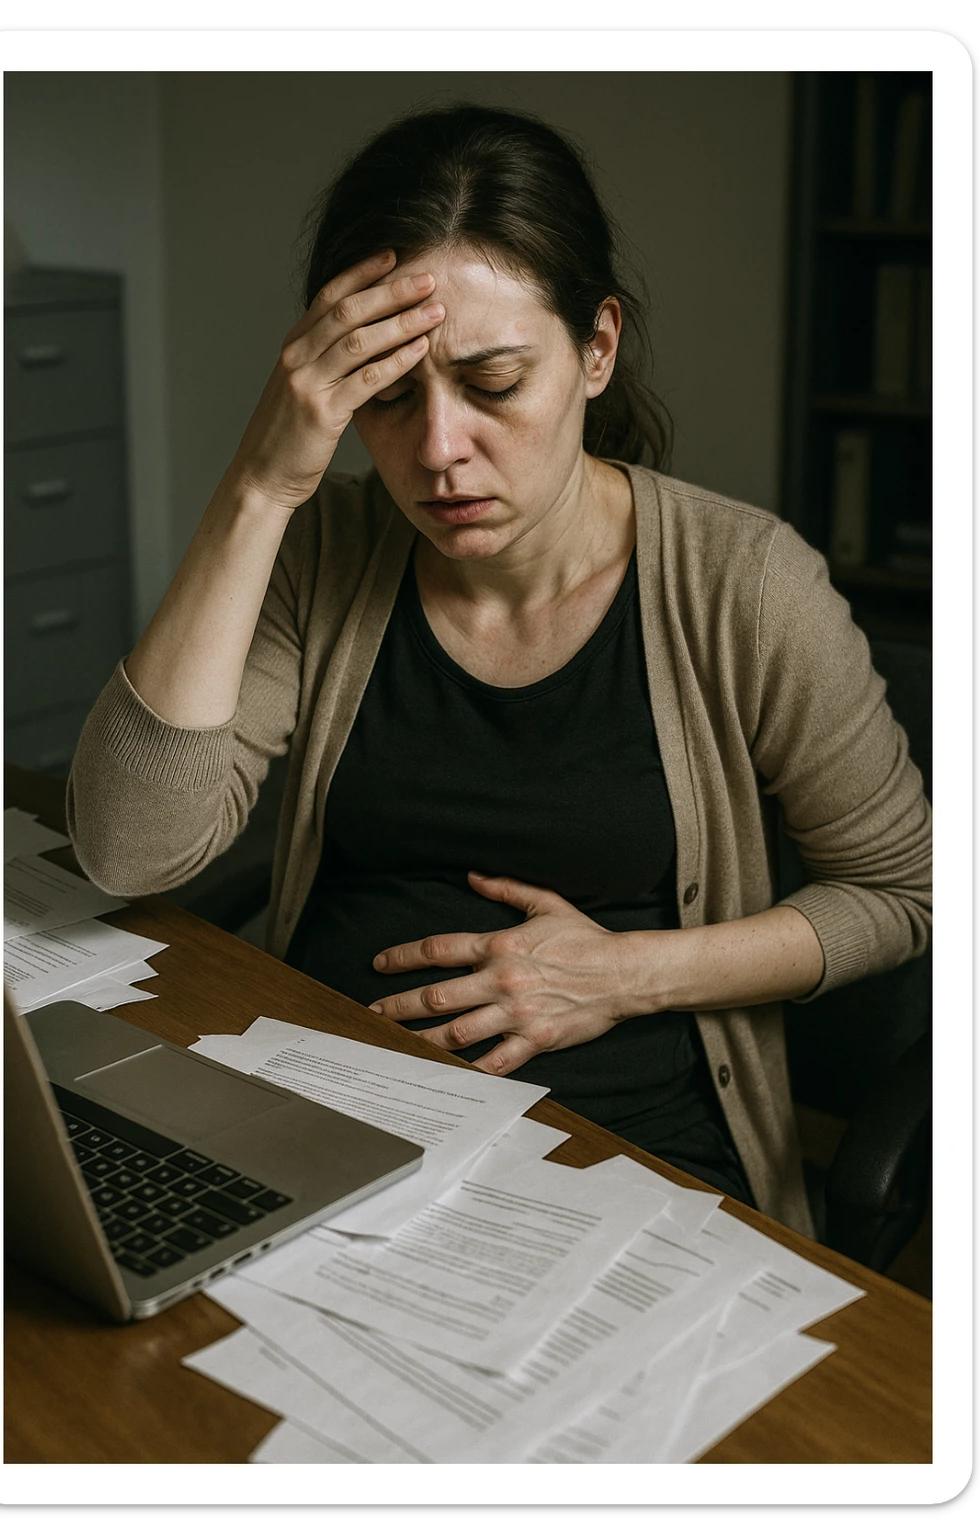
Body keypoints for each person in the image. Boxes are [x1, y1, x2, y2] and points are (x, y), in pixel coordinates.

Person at [67, 103, 931, 1237]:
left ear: (595, 351)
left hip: (618, 1150)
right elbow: (127, 849)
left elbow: (906, 895)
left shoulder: (745, 585)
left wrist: (624, 974)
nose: (433, 452)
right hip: (323, 1111)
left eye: (492, 384)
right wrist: (260, 490)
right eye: (384, 397)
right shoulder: (323, 548)